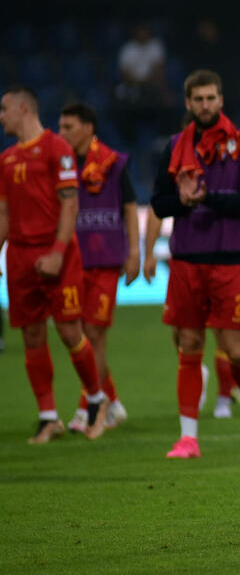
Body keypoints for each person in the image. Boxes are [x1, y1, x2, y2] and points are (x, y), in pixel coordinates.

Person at [150, 69, 240, 458]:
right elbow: (159, 204)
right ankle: (188, 438)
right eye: (198, 99)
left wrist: (204, 198)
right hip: (187, 258)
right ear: (188, 103)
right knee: (189, 344)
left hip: (232, 258)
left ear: (221, 100)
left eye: (210, 98)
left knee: (235, 350)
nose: (204, 105)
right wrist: (182, 202)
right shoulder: (173, 146)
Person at [0, 86, 109, 443]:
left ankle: (96, 400)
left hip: (56, 253)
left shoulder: (56, 149)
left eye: (4, 109)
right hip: (20, 257)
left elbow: (70, 204)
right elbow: (3, 213)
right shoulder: (6, 159)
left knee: (69, 332)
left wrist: (58, 252)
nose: (1, 117)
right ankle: (48, 417)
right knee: (31, 334)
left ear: (23, 109)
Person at [58, 103, 139, 432]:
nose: (62, 133)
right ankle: (113, 402)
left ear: (88, 128)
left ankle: (87, 408)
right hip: (71, 260)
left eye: (69, 127)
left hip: (105, 260)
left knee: (93, 335)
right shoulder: (58, 163)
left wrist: (135, 251)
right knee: (77, 336)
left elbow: (130, 206)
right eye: (61, 127)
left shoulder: (113, 163)